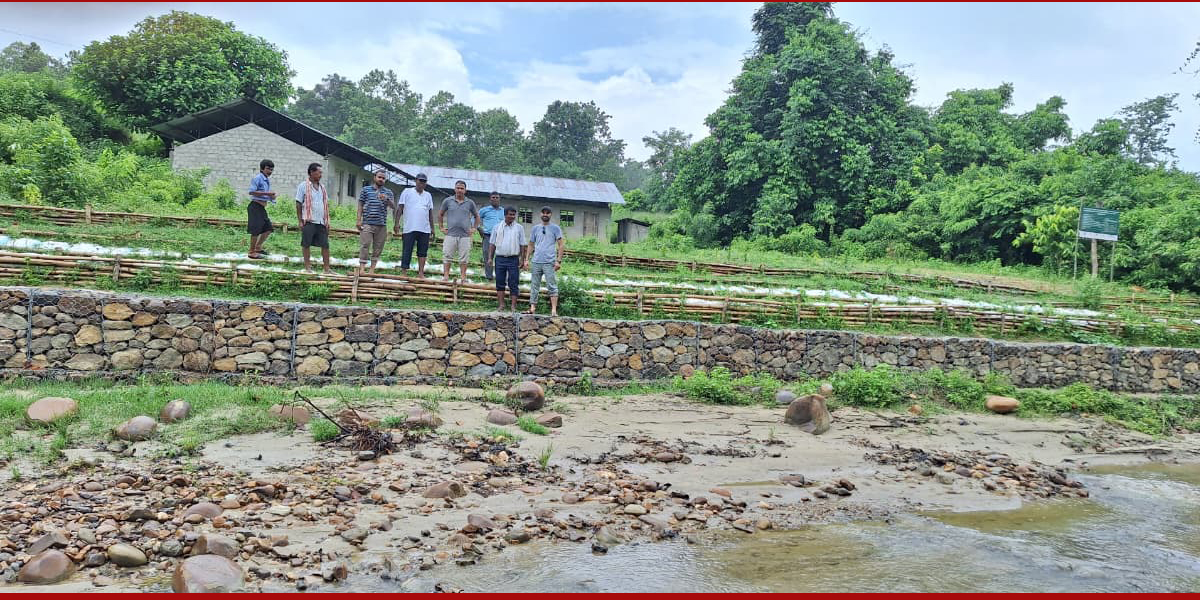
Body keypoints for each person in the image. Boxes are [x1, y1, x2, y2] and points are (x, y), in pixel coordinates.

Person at [295, 162, 336, 275]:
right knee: (306, 244)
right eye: (319, 172)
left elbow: (325, 204)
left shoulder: (322, 187)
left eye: (321, 172)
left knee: (325, 245)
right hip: (309, 220)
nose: (321, 175)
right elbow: (298, 203)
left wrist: (327, 221)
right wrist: (300, 220)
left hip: (321, 221)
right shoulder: (303, 186)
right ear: (312, 172)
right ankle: (308, 267)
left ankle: (327, 269)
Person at [438, 180, 480, 283]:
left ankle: (463, 278)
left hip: (465, 235)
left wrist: (474, 228)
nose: (460, 190)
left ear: (465, 190)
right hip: (450, 234)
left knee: (464, 257)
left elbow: (477, 216)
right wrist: (441, 227)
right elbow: (440, 214)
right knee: (447, 255)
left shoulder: (470, 203)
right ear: (454, 189)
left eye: (462, 188)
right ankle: (446, 276)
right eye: (458, 188)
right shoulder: (448, 201)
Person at [356, 169, 395, 277]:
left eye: (383, 178)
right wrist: (358, 220)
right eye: (379, 177)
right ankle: (362, 269)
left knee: (378, 247)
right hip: (367, 222)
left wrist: (386, 199)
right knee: (365, 244)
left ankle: (372, 270)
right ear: (375, 177)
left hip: (381, 224)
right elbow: (360, 205)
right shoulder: (366, 190)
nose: (381, 179)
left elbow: (393, 206)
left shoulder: (388, 192)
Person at [395, 172, 435, 277]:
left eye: (424, 181)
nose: (421, 183)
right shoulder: (407, 192)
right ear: (416, 181)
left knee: (422, 252)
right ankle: (404, 272)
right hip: (409, 227)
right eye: (420, 181)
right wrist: (396, 223)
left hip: (424, 228)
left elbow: (430, 212)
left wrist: (432, 228)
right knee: (407, 250)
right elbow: (400, 208)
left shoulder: (428, 195)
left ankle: (421, 272)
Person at [487, 206, 527, 312]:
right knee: (500, 281)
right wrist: (490, 257)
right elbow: (492, 243)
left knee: (513, 282)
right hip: (500, 258)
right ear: (505, 215)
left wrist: (522, 259)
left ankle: (513, 307)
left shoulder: (519, 228)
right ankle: (501, 305)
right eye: (510, 214)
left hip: (513, 259)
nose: (512, 216)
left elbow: (523, 244)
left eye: (514, 214)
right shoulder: (497, 227)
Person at [528, 206, 565, 316]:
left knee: (551, 285)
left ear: (550, 215)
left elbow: (561, 244)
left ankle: (553, 310)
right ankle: (532, 307)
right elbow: (530, 244)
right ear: (540, 214)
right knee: (534, 285)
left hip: (549, 261)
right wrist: (526, 259)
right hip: (536, 261)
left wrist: (559, 261)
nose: (545, 214)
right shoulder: (535, 228)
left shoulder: (555, 228)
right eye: (543, 212)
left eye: (547, 213)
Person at [246, 159, 275, 260]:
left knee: (268, 229)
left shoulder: (266, 180)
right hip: (255, 207)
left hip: (261, 208)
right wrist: (268, 194)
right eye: (268, 169)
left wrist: (271, 197)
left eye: (271, 170)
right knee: (256, 230)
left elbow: (264, 194)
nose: (270, 171)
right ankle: (251, 252)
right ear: (262, 169)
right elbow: (252, 192)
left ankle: (258, 248)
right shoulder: (258, 178)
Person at [477, 191, 504, 280]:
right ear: (490, 199)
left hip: (501, 237)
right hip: (488, 236)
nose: (495, 199)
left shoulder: (503, 211)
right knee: (487, 256)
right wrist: (479, 228)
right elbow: (474, 218)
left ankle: (500, 276)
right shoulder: (484, 210)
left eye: (497, 197)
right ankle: (489, 277)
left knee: (500, 257)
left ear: (500, 199)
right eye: (493, 197)